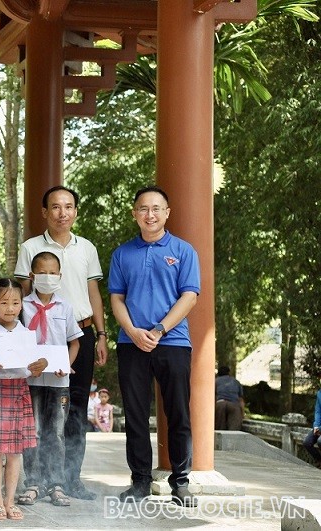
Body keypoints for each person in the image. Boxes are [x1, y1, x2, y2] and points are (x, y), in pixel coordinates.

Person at [14, 185, 108, 500]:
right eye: (55, 207)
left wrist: (102, 334)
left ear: (75, 211)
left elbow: (93, 293)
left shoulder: (87, 248)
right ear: (45, 211)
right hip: (39, 339)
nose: (62, 213)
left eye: (68, 206)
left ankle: (71, 480)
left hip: (77, 337)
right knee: (38, 411)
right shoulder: (30, 247)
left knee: (76, 410)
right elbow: (22, 295)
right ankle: (37, 480)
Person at [109, 185, 200, 507]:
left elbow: (189, 295)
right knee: (135, 415)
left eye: (156, 208)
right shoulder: (122, 254)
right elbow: (116, 297)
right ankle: (140, 482)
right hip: (131, 343)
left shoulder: (184, 250)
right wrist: (132, 330)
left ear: (167, 213)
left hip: (173, 342)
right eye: (143, 209)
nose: (150, 214)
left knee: (178, 413)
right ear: (135, 214)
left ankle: (181, 481)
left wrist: (160, 329)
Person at [0, 278, 47, 520]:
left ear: (22, 305)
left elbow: (35, 365)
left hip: (19, 391)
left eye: (16, 303)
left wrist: (40, 366)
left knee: (15, 452)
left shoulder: (26, 334)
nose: (10, 308)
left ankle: (10, 500)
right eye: (4, 302)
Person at [19, 251, 82, 507]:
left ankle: (56, 483)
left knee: (55, 433)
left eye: (52, 273)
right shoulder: (21, 306)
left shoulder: (65, 307)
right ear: (32, 276)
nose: (47, 277)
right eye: (42, 273)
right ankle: (33, 483)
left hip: (58, 382)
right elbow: (17, 343)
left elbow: (74, 342)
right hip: (31, 381)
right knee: (32, 431)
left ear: (60, 276)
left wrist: (66, 364)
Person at [215, 366, 245, 430]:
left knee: (219, 430)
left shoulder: (215, 381)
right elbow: (241, 400)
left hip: (220, 404)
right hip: (234, 405)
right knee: (233, 431)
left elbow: (212, 397)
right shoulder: (236, 382)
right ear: (229, 372)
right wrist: (242, 414)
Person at [303, 389, 321, 467]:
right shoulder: (320, 393)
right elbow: (318, 411)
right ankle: (320, 460)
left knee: (320, 441)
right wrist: (316, 426)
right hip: (319, 426)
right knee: (307, 442)